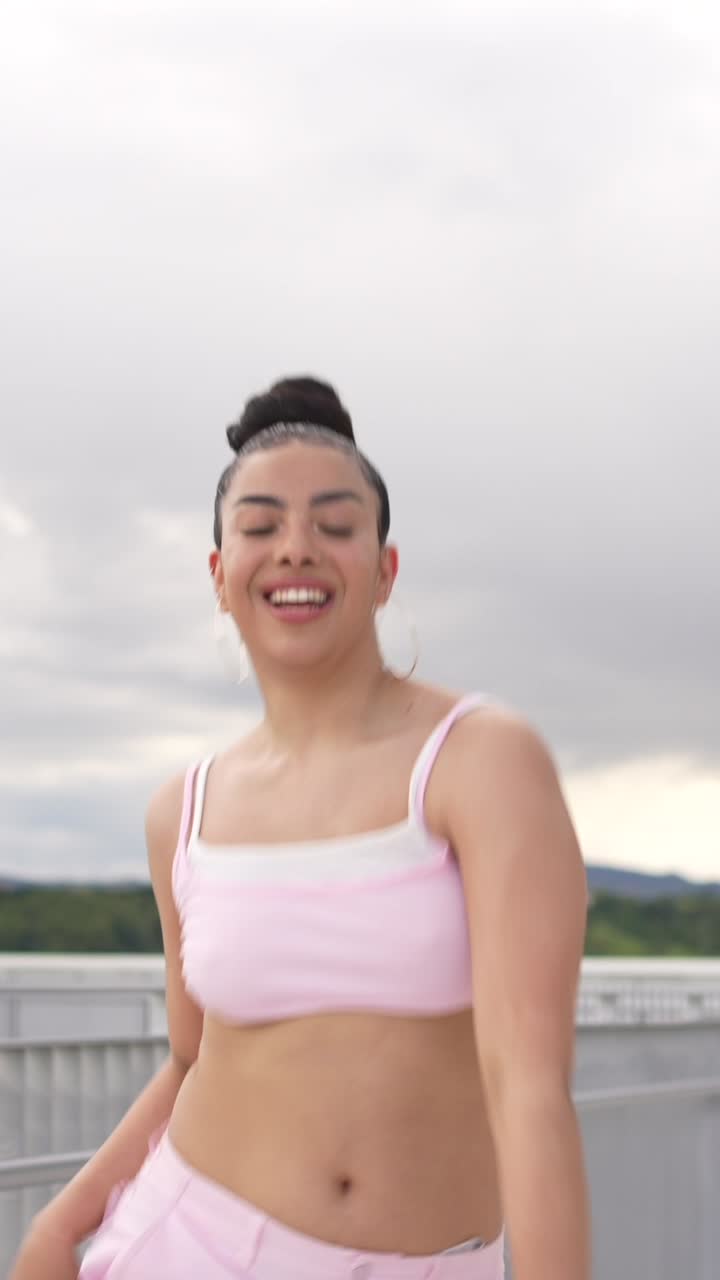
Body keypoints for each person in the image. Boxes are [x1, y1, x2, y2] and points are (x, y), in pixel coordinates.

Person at [10, 377, 591, 1279]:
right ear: (220, 576)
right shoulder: (185, 810)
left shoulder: (481, 762)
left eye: (335, 524)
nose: (296, 550)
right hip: (187, 1242)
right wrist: (61, 1223)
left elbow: (531, 1090)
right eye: (259, 526)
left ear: (385, 567)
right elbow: (192, 1060)